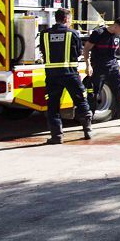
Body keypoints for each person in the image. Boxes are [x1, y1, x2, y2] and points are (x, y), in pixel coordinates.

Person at [39, 8, 92, 144]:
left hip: (52, 75)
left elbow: (43, 51)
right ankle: (87, 131)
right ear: (66, 19)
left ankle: (57, 137)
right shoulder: (73, 33)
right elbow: (79, 52)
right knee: (81, 101)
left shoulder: (44, 34)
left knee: (53, 106)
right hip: (70, 74)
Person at [84, 17, 120, 127]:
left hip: (113, 68)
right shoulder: (98, 33)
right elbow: (86, 48)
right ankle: (88, 123)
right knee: (94, 95)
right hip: (98, 68)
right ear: (116, 26)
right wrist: (88, 65)